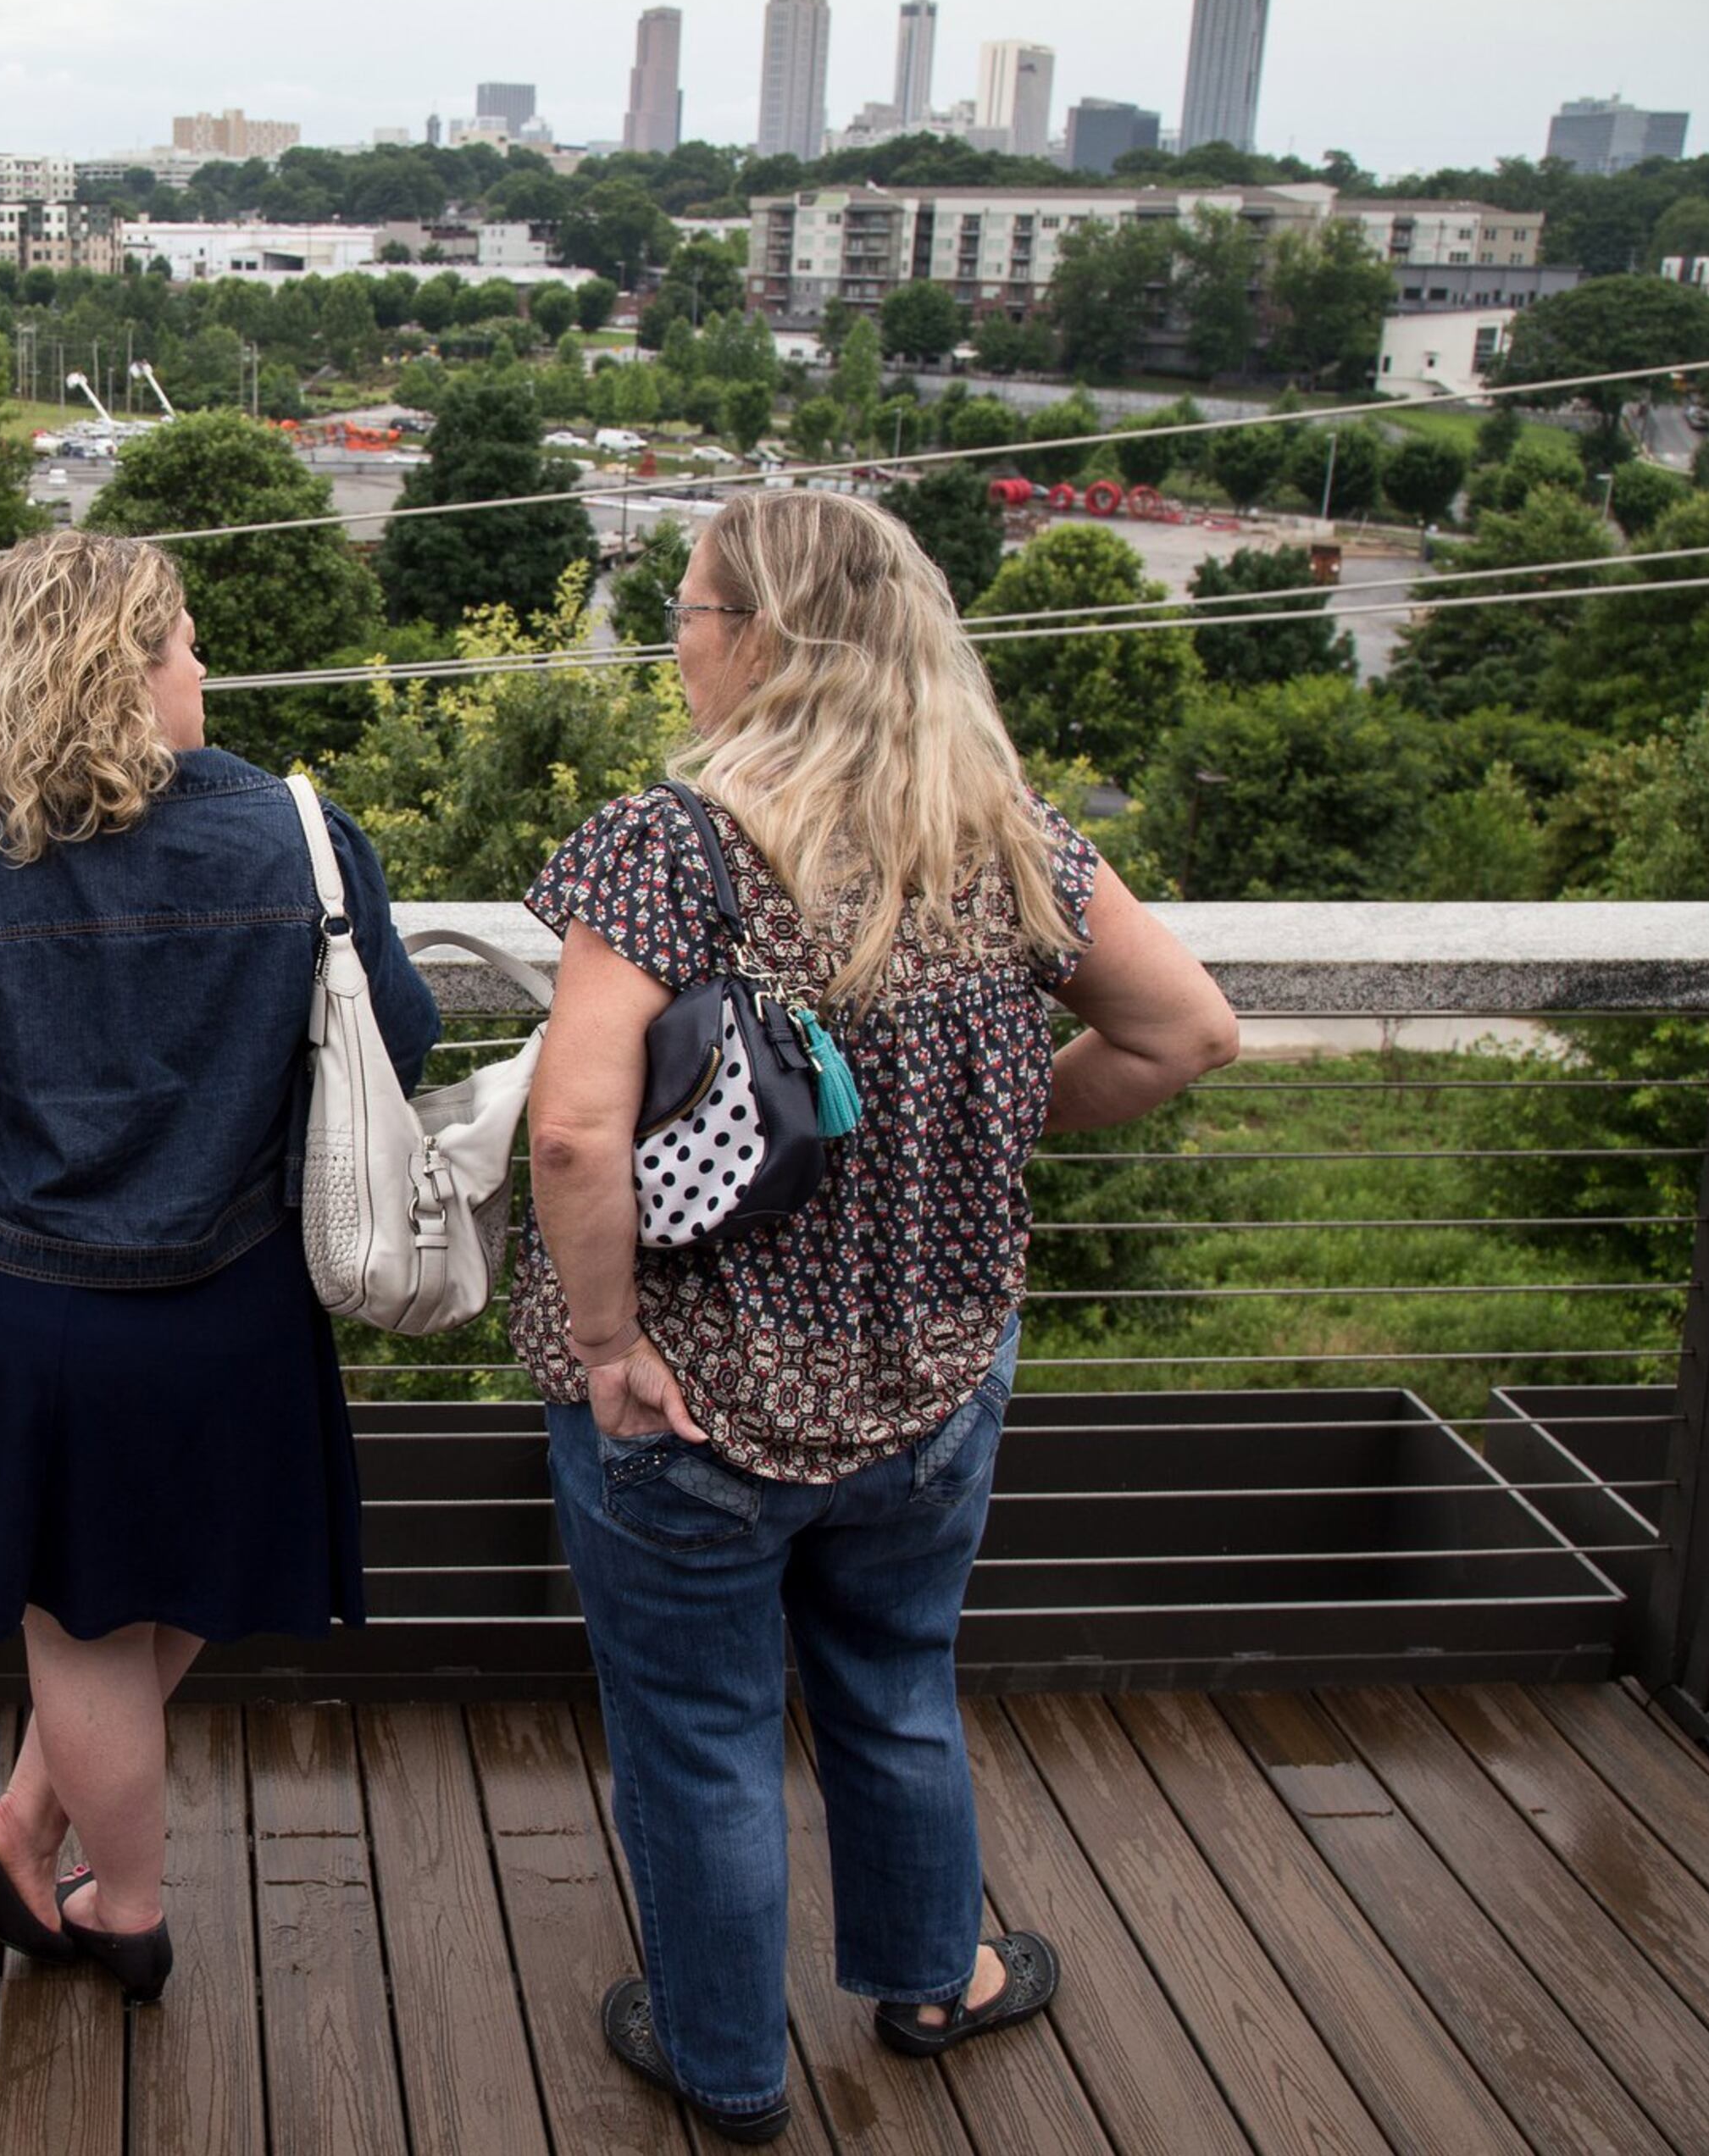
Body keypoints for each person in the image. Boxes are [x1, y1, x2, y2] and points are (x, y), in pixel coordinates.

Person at [516, 490, 1238, 2144]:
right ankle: (934, 1982)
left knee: (699, 1739)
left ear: (765, 641)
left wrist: (613, 1344)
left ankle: (726, 2063)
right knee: (900, 1686)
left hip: (692, 1406)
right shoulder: (1000, 832)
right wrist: (988, 1119)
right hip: (932, 1386)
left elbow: (571, 1131)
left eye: (692, 612)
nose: (677, 643)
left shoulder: (669, 845)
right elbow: (1187, 1035)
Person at [0, 530, 438, 2004]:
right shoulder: (300, 838)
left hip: (26, 1307)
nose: (205, 669)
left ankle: (67, 1862)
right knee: (145, 1587)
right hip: (234, 1297)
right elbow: (404, 1039)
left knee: (81, 1610)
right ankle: (110, 1899)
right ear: (119, 673)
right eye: (182, 643)